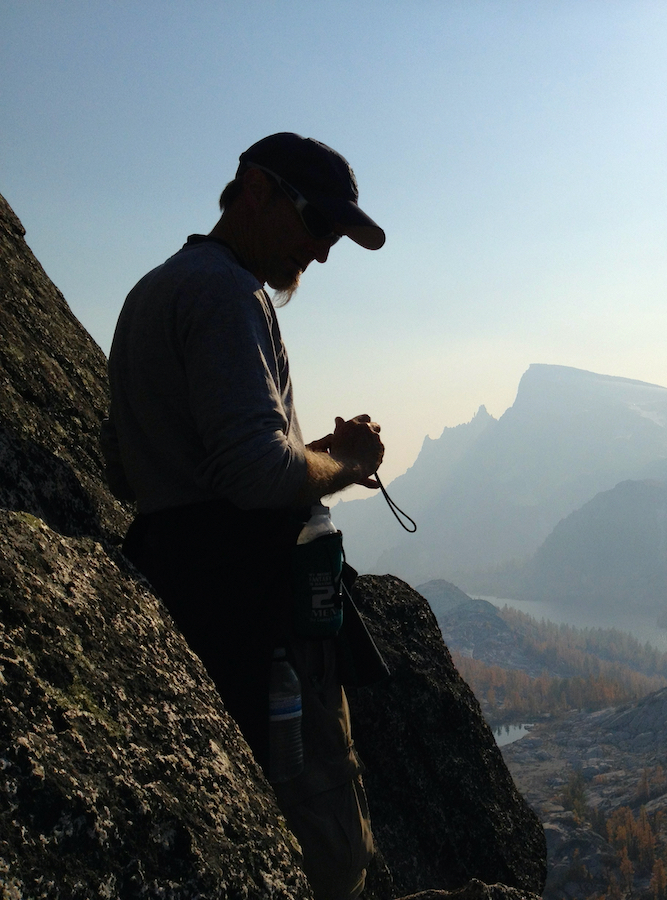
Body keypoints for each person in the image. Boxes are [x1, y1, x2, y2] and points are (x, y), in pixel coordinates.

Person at [102, 133, 389, 900]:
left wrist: (311, 453)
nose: (321, 253)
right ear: (255, 191)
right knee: (318, 832)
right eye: (315, 225)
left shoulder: (152, 291)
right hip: (253, 612)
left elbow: (127, 461)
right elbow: (259, 475)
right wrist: (349, 465)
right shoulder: (227, 294)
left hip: (186, 589)